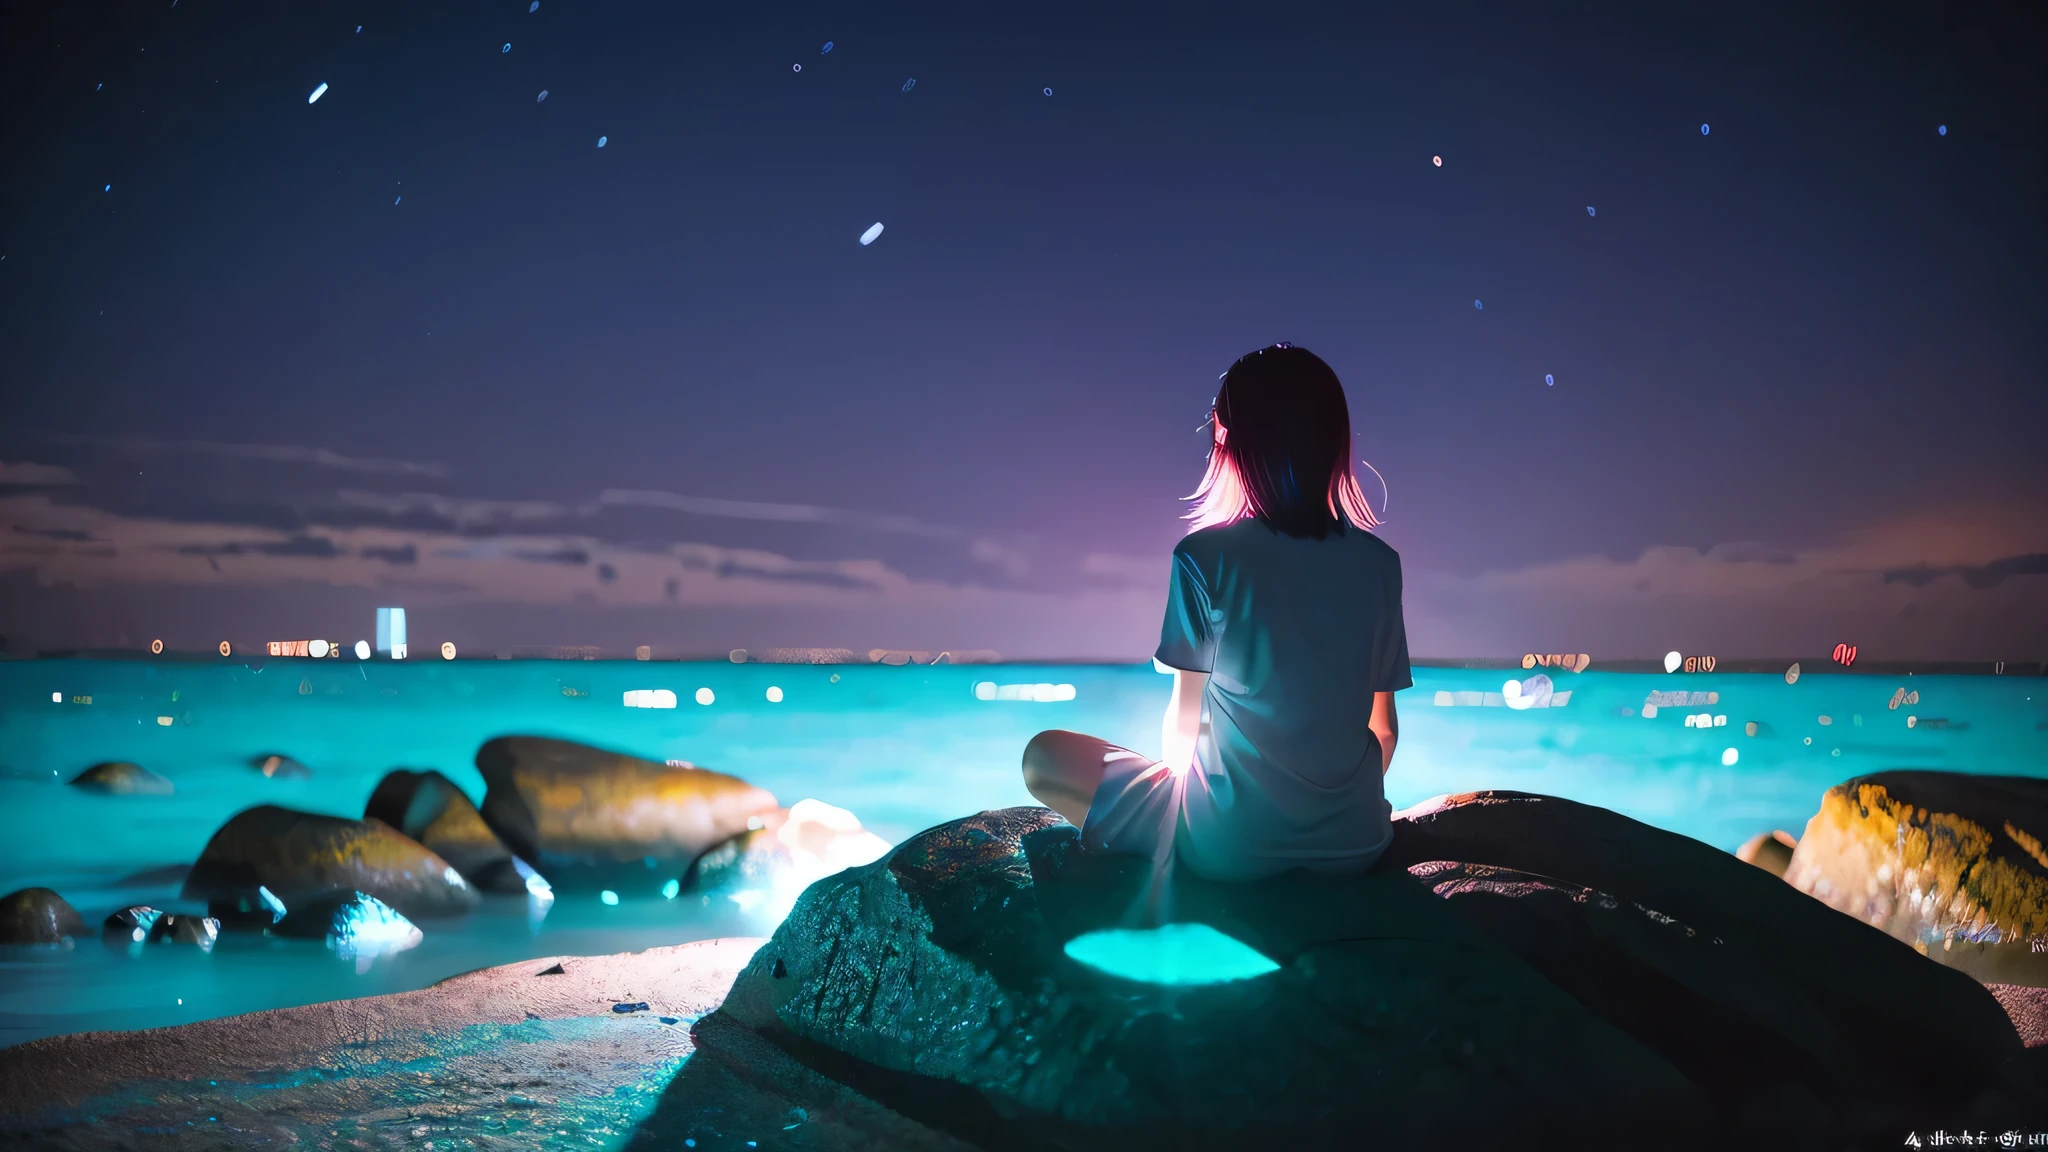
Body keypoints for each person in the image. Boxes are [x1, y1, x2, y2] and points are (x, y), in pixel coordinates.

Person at [1021, 344, 1410, 881]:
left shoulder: (1205, 558)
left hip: (1228, 847)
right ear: (1334, 443)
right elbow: (1383, 730)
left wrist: (1199, 810)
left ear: (1230, 442)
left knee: (1044, 755)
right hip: (1355, 845)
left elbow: (1186, 721)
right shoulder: (1379, 565)